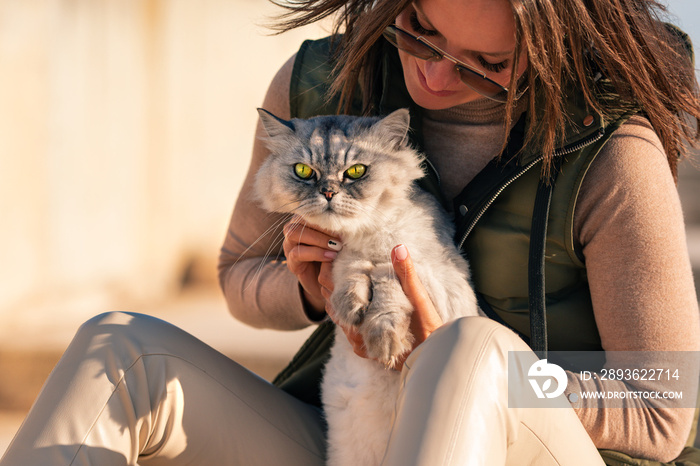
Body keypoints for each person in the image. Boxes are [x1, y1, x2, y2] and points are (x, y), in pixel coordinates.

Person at [2, 0, 699, 464]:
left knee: (466, 352)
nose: (431, 72)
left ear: (553, 43)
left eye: (489, 64)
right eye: (421, 30)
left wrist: (493, 375)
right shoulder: (316, 92)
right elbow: (236, 277)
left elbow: (665, 406)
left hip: (539, 447)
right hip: (358, 433)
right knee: (119, 346)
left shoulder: (610, 153)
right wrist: (307, 289)